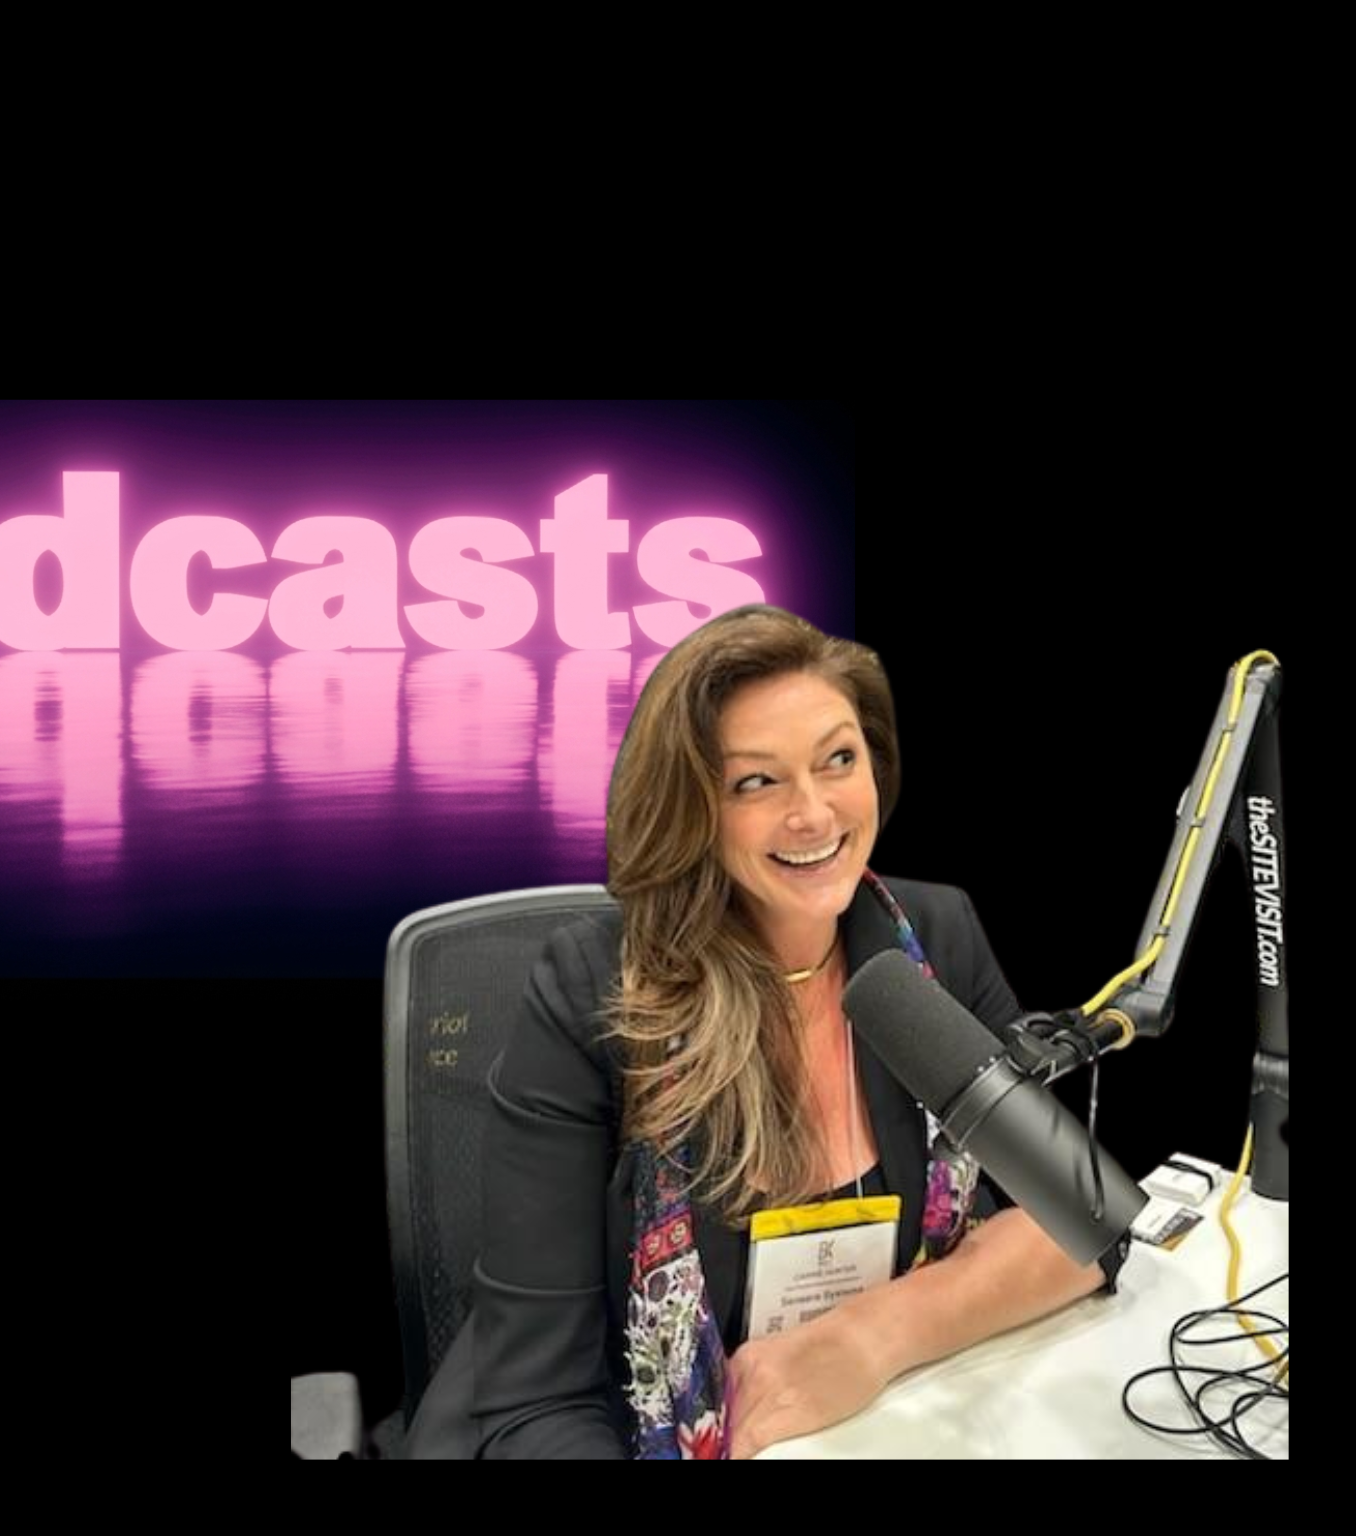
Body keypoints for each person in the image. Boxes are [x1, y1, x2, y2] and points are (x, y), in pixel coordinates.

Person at [459, 605, 1125, 1459]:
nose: (815, 813)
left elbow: (1083, 1226)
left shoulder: (930, 938)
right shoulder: (594, 993)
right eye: (756, 782)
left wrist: (867, 1339)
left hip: (884, 1422)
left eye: (838, 760)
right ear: (692, 810)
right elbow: (534, 1405)